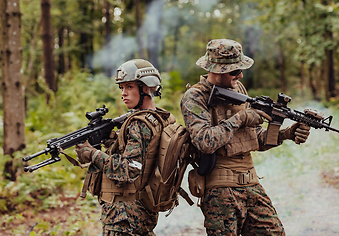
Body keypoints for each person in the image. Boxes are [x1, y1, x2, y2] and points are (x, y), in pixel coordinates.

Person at [180, 39, 311, 236]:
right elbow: (204, 142)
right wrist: (240, 118)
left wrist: (287, 134)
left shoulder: (239, 89)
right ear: (216, 69)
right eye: (234, 71)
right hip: (221, 191)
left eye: (240, 69)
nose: (240, 75)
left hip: (251, 183)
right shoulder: (195, 97)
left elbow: (254, 139)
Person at [75, 59, 174, 235]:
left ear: (146, 88)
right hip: (142, 211)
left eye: (129, 87)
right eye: (122, 88)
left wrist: (92, 154)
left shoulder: (139, 124)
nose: (123, 93)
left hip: (123, 217)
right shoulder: (161, 117)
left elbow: (128, 170)